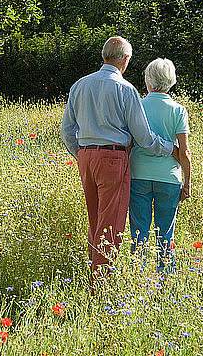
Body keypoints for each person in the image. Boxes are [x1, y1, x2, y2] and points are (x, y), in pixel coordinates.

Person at [60, 36, 178, 277]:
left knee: (96, 221)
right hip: (113, 158)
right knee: (110, 224)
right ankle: (102, 287)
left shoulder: (80, 85)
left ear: (104, 56)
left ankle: (95, 274)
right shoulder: (125, 89)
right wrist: (169, 149)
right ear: (126, 60)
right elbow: (144, 138)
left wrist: (81, 153)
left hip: (86, 157)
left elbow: (66, 131)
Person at [128, 58, 191, 274]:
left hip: (138, 175)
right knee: (166, 233)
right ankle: (165, 280)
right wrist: (188, 183)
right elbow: (184, 152)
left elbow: (129, 142)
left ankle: (137, 278)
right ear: (171, 81)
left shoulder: (137, 105)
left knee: (139, 231)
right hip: (169, 177)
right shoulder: (178, 110)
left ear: (147, 80)